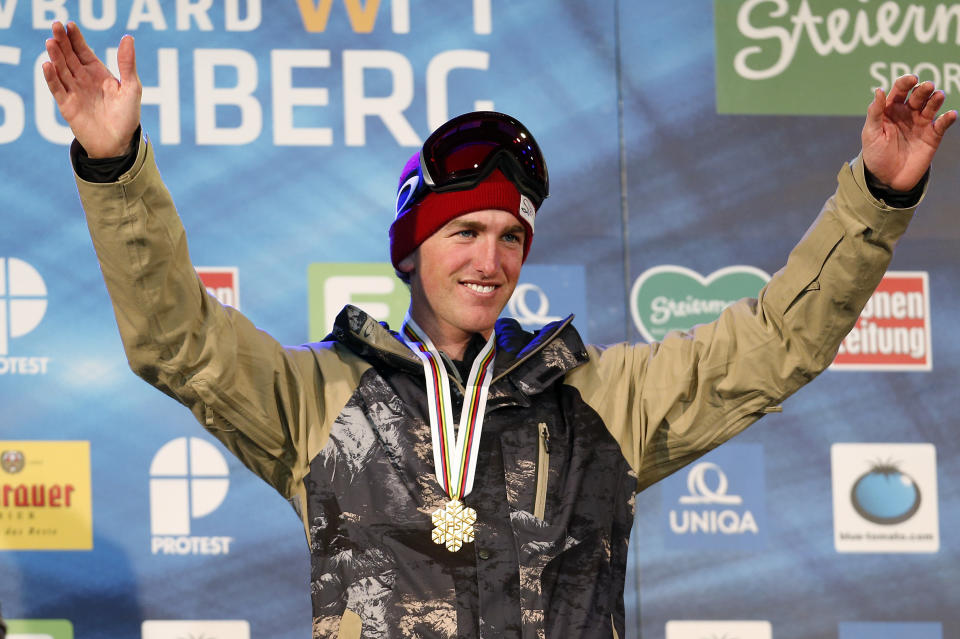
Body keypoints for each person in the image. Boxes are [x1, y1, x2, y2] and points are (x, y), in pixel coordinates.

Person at [43, 20, 954, 639]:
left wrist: (875, 199)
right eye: (465, 232)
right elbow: (179, 341)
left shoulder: (601, 399)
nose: (491, 257)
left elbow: (773, 345)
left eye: (511, 236)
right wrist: (114, 164)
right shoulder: (319, 395)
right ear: (412, 248)